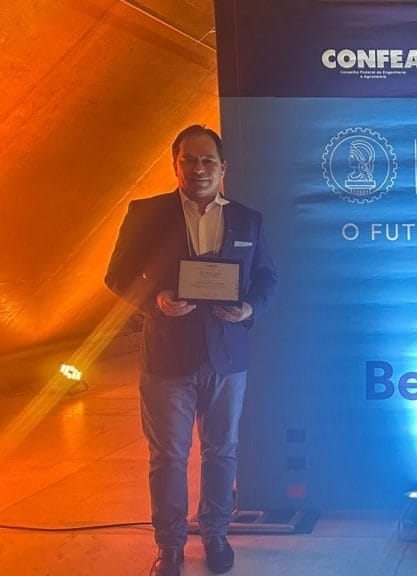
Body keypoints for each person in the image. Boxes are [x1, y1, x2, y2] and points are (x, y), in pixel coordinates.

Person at [105, 125, 277, 576]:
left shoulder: (248, 219)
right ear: (175, 165)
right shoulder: (146, 213)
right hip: (166, 357)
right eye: (189, 160)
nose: (199, 169)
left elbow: (266, 277)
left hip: (227, 356)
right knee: (168, 456)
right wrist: (155, 301)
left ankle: (216, 535)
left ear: (223, 168)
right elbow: (117, 274)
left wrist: (249, 308)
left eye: (207, 161)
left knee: (222, 451)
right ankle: (170, 547)